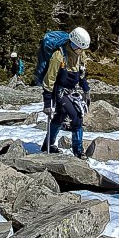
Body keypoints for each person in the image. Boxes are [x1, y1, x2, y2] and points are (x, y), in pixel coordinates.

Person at [40, 27, 92, 158]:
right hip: (60, 91)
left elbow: (81, 74)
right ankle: (78, 151)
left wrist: (86, 89)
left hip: (71, 91)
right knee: (76, 116)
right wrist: (47, 103)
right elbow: (49, 79)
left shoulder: (80, 55)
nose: (80, 50)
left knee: (60, 116)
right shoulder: (59, 55)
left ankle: (48, 144)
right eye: (77, 47)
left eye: (81, 48)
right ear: (72, 43)